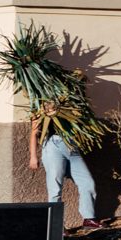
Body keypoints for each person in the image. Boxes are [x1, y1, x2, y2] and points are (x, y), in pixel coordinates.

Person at [27, 96, 101, 230]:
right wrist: (33, 156)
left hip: (71, 145)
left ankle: (89, 218)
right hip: (52, 145)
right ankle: (56, 226)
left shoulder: (68, 102)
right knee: (55, 188)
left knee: (88, 182)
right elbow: (34, 132)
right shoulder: (40, 106)